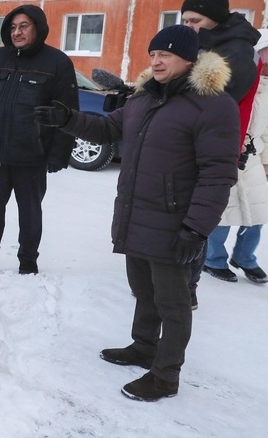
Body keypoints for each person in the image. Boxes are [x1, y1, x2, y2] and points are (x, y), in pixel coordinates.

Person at [34, 25, 240, 401]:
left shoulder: (213, 106)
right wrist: (66, 119)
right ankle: (144, 347)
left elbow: (218, 174)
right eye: (153, 54)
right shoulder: (144, 99)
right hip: (137, 214)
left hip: (176, 223)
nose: (156, 61)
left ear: (190, 59)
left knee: (173, 304)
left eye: (166, 54)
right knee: (143, 291)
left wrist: (195, 229)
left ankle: (165, 376)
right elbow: (107, 128)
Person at [0, 4, 79, 275]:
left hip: (31, 155)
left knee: (30, 214)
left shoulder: (57, 63)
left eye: (23, 26)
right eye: (13, 27)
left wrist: (59, 153)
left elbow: (68, 113)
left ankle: (28, 262)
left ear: (37, 28)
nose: (17, 32)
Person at [180, 0, 262, 303]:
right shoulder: (206, 41)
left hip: (215, 144)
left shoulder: (237, 50)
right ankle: (175, 281)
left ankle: (188, 287)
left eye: (194, 20)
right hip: (194, 139)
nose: (188, 26)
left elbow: (213, 102)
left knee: (197, 219)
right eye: (184, 20)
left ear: (214, 17)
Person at [203, 32, 268, 285]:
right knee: (224, 213)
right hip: (228, 156)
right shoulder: (240, 83)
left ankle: (245, 257)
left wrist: (265, 161)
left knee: (259, 213)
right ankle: (214, 259)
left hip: (254, 160)